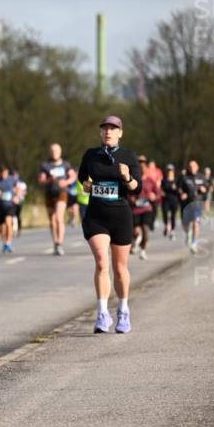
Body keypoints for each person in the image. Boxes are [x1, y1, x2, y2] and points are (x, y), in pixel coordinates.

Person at [78, 116, 142, 334]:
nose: (108, 132)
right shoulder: (91, 155)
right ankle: (102, 313)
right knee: (101, 262)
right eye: (105, 128)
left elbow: (136, 188)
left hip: (121, 215)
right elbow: (82, 179)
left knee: (120, 268)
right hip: (96, 216)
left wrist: (126, 177)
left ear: (120, 133)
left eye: (113, 129)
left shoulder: (128, 156)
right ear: (101, 133)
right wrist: (86, 185)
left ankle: (123, 311)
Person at [39, 143, 76, 255]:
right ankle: (55, 242)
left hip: (62, 193)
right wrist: (49, 179)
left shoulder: (65, 165)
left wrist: (66, 182)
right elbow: (41, 180)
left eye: (56, 151)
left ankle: (60, 243)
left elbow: (73, 176)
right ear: (50, 152)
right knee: (52, 220)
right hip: (50, 193)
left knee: (59, 217)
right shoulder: (46, 165)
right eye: (52, 151)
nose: (54, 153)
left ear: (60, 152)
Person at [130, 162, 160, 260]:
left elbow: (158, 193)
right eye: (140, 167)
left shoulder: (150, 181)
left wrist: (154, 196)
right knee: (136, 231)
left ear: (146, 169)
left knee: (145, 229)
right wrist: (131, 198)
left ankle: (143, 251)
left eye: (144, 168)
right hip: (135, 210)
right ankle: (135, 242)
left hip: (147, 209)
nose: (142, 169)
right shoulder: (133, 180)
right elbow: (127, 192)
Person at [0, 165, 19, 254]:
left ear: (7, 172)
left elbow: (18, 189)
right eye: (2, 173)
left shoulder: (12, 179)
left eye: (5, 173)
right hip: (0, 205)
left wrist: (17, 197)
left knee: (8, 223)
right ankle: (5, 242)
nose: (3, 175)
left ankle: (8, 243)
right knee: (2, 226)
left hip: (10, 205)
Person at [179, 159, 207, 254]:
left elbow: (207, 187)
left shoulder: (201, 177)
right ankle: (188, 233)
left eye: (194, 166)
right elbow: (179, 189)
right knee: (185, 225)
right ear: (188, 167)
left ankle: (194, 242)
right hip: (186, 204)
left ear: (197, 167)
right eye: (190, 166)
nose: (192, 168)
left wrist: (204, 189)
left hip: (197, 203)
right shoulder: (184, 178)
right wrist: (182, 193)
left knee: (196, 223)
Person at [160, 165, 182, 240]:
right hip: (166, 200)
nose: (170, 171)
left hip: (174, 200)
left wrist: (176, 189)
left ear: (173, 171)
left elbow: (179, 190)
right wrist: (163, 192)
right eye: (168, 170)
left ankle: (172, 231)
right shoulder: (164, 180)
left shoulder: (176, 180)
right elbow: (162, 189)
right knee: (165, 215)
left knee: (173, 216)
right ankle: (166, 226)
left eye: (171, 170)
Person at [12, 171, 27, 237]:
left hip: (20, 201)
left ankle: (19, 228)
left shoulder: (22, 183)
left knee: (18, 215)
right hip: (12, 201)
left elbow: (25, 192)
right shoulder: (10, 182)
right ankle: (13, 229)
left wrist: (19, 194)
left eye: (15, 175)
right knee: (12, 215)